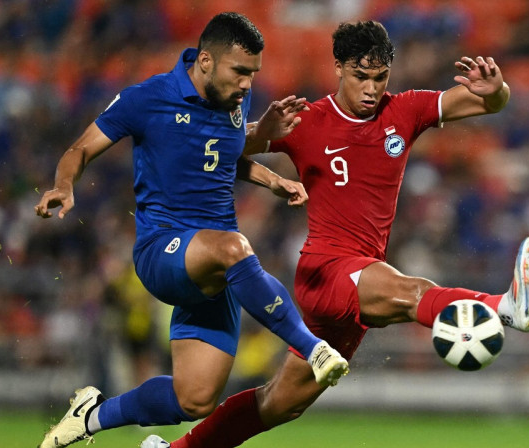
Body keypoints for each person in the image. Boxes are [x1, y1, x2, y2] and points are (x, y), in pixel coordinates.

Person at [147, 20, 529, 448]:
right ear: (338, 68)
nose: (371, 89)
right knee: (412, 291)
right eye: (360, 77)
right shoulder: (307, 120)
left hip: (359, 279)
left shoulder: (405, 109)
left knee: (280, 403)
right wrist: (263, 133)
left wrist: (497, 89)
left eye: (380, 78)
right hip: (326, 271)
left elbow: (488, 103)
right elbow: (220, 147)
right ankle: (504, 307)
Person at [33, 12, 349, 448]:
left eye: (252, 74)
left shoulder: (233, 104)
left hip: (214, 266)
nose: (246, 84)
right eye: (239, 71)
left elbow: (220, 155)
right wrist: (63, 187)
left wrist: (271, 177)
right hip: (162, 250)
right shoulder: (148, 98)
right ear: (204, 61)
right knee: (237, 248)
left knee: (194, 398)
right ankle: (313, 349)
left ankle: (92, 415)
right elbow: (80, 148)